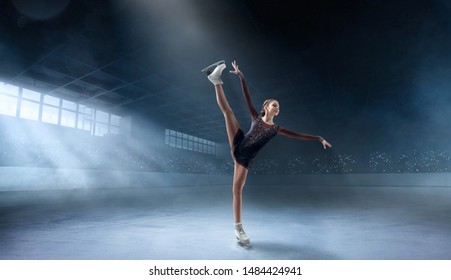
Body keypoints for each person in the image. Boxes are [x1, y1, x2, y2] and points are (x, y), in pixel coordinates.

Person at [202, 60, 332, 245]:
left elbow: (299, 135)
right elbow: (246, 95)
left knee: (237, 191)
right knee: (228, 113)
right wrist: (241, 76)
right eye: (274, 105)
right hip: (238, 142)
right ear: (265, 108)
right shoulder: (255, 116)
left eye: (278, 107)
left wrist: (319, 138)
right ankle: (216, 81)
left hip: (244, 159)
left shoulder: (276, 129)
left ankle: (238, 228)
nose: (277, 108)